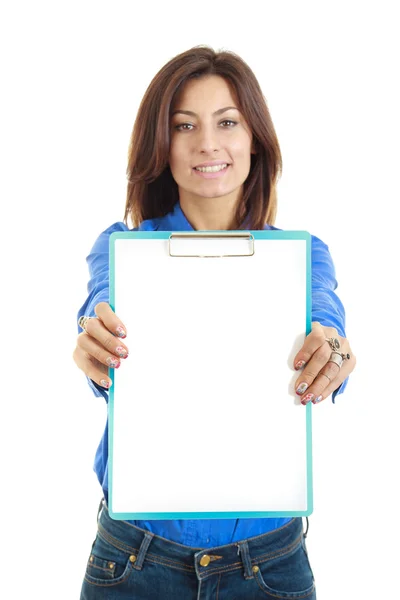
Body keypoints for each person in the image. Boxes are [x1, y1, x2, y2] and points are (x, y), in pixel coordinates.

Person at [73, 45, 356, 600]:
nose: (207, 143)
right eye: (184, 126)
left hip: (269, 564)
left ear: (254, 139)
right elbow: (100, 310)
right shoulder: (121, 248)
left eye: (227, 122)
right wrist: (93, 343)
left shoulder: (302, 255)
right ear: (163, 144)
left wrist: (337, 353)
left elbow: (327, 320)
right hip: (133, 561)